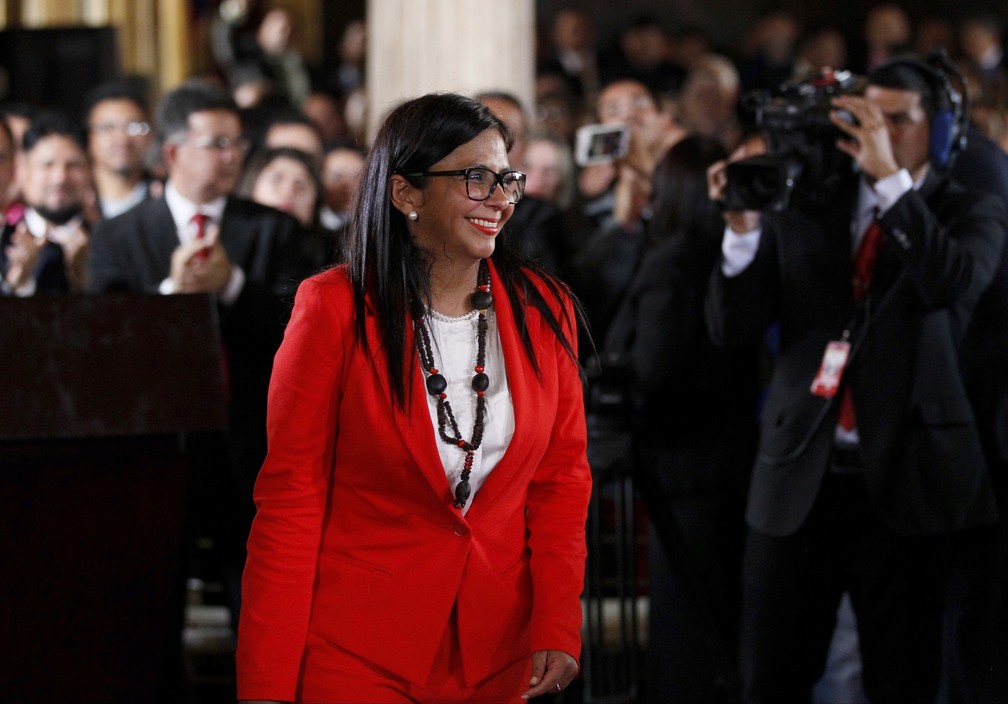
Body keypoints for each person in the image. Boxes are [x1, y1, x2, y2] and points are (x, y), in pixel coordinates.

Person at [236, 92, 592, 703]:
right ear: (406, 193)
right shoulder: (331, 309)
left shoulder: (543, 307)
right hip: (357, 649)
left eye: (506, 178)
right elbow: (291, 499)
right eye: (476, 179)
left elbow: (561, 481)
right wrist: (265, 680)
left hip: (497, 650)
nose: (501, 199)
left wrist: (557, 618)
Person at [705, 55, 1005, 702]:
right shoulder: (807, 203)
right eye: (868, 121)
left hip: (908, 485)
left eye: (898, 121)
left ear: (943, 130)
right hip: (797, 482)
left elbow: (949, 285)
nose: (881, 134)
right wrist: (741, 231)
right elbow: (734, 328)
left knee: (907, 680)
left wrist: (893, 183)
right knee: (769, 678)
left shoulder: (972, 209)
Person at [87, 79, 306, 635]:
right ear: (173, 152)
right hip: (162, 443)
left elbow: (299, 330)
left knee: (258, 603)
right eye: (217, 143)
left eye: (237, 144)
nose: (232, 156)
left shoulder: (273, 229)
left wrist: (232, 284)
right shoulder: (117, 236)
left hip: (251, 439)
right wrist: (171, 297)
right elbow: (104, 346)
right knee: (150, 606)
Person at [605, 135, 759, 703]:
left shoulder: (673, 261)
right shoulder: (734, 253)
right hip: (729, 461)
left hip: (681, 472)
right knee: (716, 618)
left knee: (685, 629)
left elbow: (654, 367)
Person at [1, 112, 91, 295]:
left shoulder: (107, 240)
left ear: (89, 170)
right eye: (47, 165)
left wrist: (90, 285)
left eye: (73, 165)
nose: (60, 178)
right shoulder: (4, 242)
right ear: (24, 170)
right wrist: (18, 285)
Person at [239, 145, 334, 272]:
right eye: (276, 179)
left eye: (300, 185)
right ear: (251, 187)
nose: (288, 191)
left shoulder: (333, 255)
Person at [83, 81, 156, 219]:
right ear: (89, 138)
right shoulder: (74, 203)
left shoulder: (166, 197)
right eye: (108, 128)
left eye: (134, 126)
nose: (122, 139)